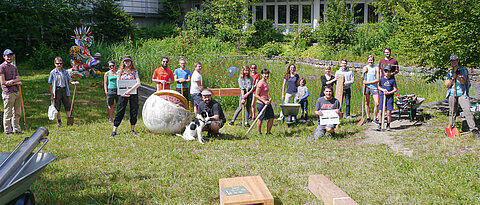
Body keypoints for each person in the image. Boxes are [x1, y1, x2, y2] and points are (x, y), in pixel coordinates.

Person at [444, 55, 479, 138]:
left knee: (467, 110)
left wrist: (458, 75)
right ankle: (451, 128)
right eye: (452, 61)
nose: (453, 62)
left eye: (455, 60)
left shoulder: (463, 70)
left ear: (458, 60)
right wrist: (452, 77)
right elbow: (447, 85)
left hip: (462, 94)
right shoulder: (449, 72)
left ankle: (473, 129)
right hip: (452, 94)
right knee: (452, 112)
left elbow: (463, 82)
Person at [110, 55, 141, 137]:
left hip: (132, 93)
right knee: (120, 110)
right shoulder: (119, 71)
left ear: (131, 62)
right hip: (122, 93)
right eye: (125, 61)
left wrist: (129, 91)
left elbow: (138, 83)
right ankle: (114, 130)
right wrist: (122, 92)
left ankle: (132, 129)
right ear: (123, 62)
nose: (127, 63)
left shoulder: (134, 71)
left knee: (134, 110)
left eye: (128, 61)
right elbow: (118, 82)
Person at [48, 57, 79, 127]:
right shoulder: (52, 72)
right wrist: (52, 95)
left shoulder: (65, 72)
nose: (59, 65)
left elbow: (70, 80)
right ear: (54, 64)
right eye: (57, 63)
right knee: (57, 107)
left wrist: (74, 83)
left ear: (62, 64)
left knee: (68, 106)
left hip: (64, 90)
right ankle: (59, 122)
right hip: (57, 91)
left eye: (60, 63)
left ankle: (70, 122)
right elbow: (50, 84)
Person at [0, 49, 23, 135]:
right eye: (7, 56)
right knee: (8, 113)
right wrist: (16, 82)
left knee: (17, 112)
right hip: (8, 93)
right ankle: (8, 131)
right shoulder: (2, 67)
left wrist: (12, 82)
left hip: (16, 91)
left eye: (10, 56)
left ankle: (17, 130)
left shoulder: (14, 67)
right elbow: (3, 82)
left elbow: (18, 79)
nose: (9, 57)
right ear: (4, 57)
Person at [361, 55, 380, 124]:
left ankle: (375, 118)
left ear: (373, 61)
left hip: (374, 87)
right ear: (367, 61)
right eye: (369, 60)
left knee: (377, 103)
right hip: (366, 87)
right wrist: (363, 72)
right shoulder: (365, 67)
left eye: (371, 60)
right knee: (366, 102)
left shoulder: (376, 68)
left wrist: (368, 82)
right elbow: (362, 78)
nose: (370, 61)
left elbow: (378, 79)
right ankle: (368, 117)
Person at [378, 65, 398, 131]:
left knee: (389, 112)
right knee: (380, 111)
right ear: (384, 72)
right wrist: (383, 90)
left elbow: (395, 89)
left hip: (390, 97)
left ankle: (388, 125)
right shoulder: (382, 79)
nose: (387, 73)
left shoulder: (392, 80)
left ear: (391, 72)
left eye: (389, 72)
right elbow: (379, 87)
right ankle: (380, 124)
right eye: (386, 71)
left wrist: (389, 92)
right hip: (382, 96)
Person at [255, 69, 274, 134]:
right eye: (265, 74)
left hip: (267, 103)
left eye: (267, 74)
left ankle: (268, 132)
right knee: (261, 118)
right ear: (262, 74)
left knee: (271, 117)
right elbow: (256, 95)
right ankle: (259, 133)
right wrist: (264, 101)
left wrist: (267, 101)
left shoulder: (266, 82)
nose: (266, 75)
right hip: (261, 104)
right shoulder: (260, 83)